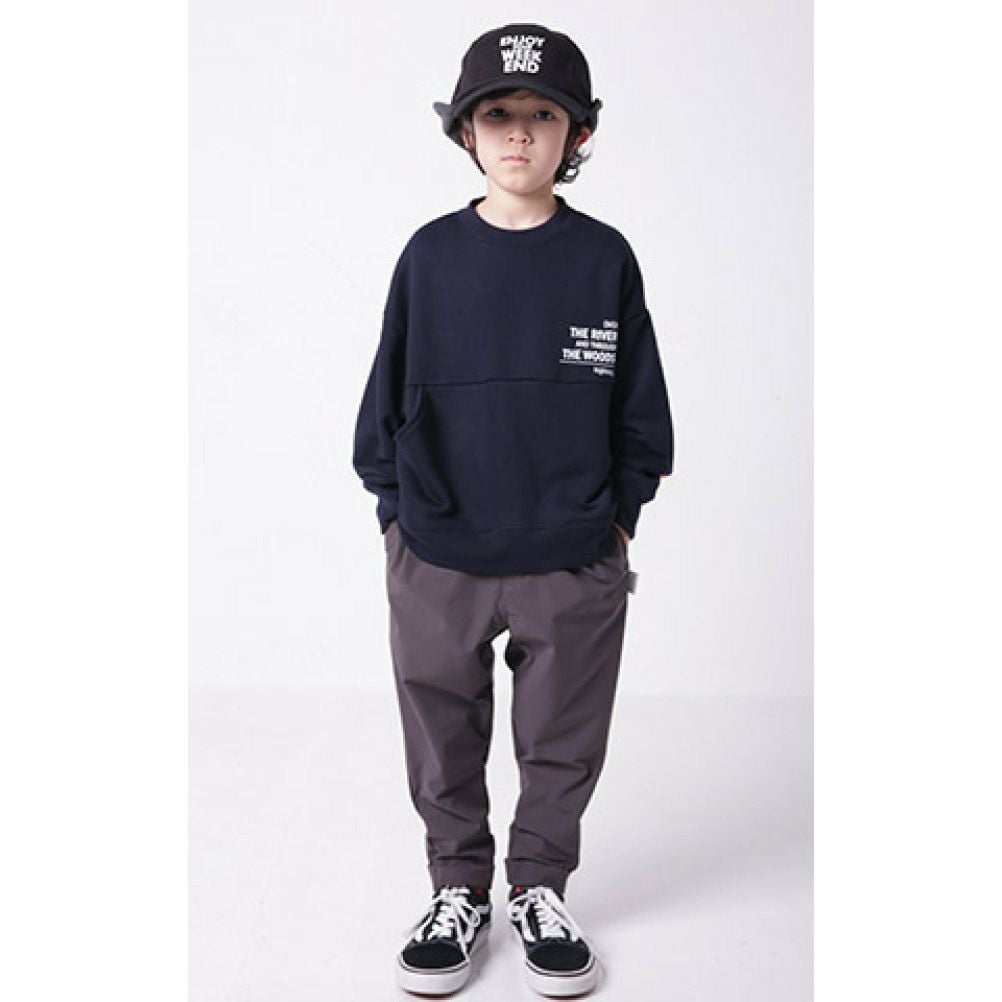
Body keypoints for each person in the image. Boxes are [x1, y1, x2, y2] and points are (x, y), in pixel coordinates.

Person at [352, 22, 673, 998]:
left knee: (562, 740)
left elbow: (641, 413)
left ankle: (538, 887)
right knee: (441, 733)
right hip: (439, 552)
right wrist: (399, 522)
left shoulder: (604, 259)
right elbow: (383, 404)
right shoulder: (429, 257)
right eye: (498, 114)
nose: (521, 132)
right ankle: (457, 889)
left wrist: (617, 522)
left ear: (579, 134)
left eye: (543, 114)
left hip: (572, 553)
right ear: (466, 131)